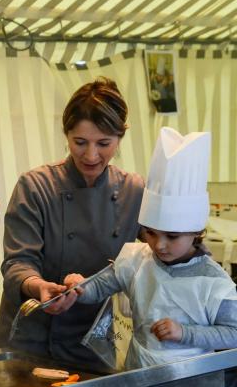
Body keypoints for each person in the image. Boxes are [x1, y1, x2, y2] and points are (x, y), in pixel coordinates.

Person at [0, 77, 144, 370]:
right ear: (66, 135)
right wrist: (39, 287)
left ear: (120, 138)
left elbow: (158, 254)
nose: (91, 155)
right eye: (80, 142)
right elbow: (17, 264)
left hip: (94, 341)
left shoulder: (133, 192)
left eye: (104, 143)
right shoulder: (36, 186)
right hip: (33, 337)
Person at [65, 128, 237, 369]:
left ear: (197, 233)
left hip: (191, 381)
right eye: (150, 233)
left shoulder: (213, 281)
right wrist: (80, 288)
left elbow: (233, 333)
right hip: (139, 371)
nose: (159, 245)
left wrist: (184, 332)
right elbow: (101, 286)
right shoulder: (137, 259)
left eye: (173, 236)